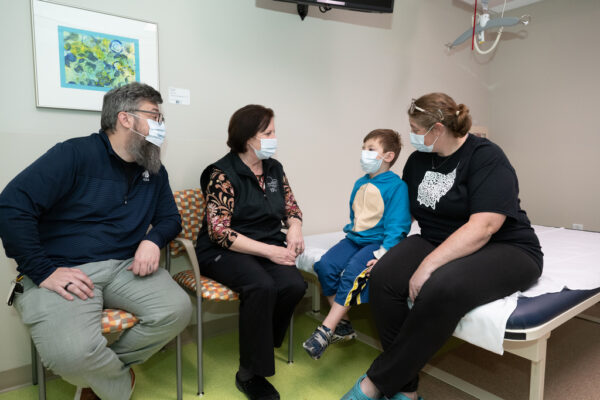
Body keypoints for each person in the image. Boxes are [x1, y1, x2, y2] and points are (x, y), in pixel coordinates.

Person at [341, 93, 543, 400]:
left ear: (436, 129)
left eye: (414, 128)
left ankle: (372, 385)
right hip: (438, 237)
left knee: (440, 288)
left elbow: (484, 226)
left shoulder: (486, 156)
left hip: (505, 246)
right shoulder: (418, 161)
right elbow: (404, 213)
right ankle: (406, 390)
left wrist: (427, 266)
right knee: (383, 278)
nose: (411, 135)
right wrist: (386, 252)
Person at [0, 82, 192, 400]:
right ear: (125, 119)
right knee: (72, 354)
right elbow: (11, 206)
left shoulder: (154, 169)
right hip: (64, 268)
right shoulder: (74, 154)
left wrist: (152, 240)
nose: (161, 125)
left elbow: (171, 219)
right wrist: (44, 271)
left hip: (123, 265)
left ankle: (99, 377)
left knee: (177, 310)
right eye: (155, 116)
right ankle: (114, 383)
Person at [194, 104, 307, 400]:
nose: (274, 137)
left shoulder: (273, 169)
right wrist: (271, 252)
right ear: (248, 138)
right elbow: (220, 232)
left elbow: (291, 207)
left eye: (274, 131)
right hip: (222, 250)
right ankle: (250, 373)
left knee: (295, 285)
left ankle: (261, 343)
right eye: (268, 132)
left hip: (263, 247)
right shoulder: (222, 174)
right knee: (261, 286)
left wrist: (294, 227)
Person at [303, 129, 411, 360]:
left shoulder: (397, 187)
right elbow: (356, 215)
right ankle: (344, 324)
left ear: (388, 156)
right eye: (364, 148)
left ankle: (326, 329)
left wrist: (384, 253)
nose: (364, 153)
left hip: (378, 242)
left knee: (353, 271)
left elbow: (398, 225)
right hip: (354, 238)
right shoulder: (360, 182)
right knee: (325, 265)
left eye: (371, 149)